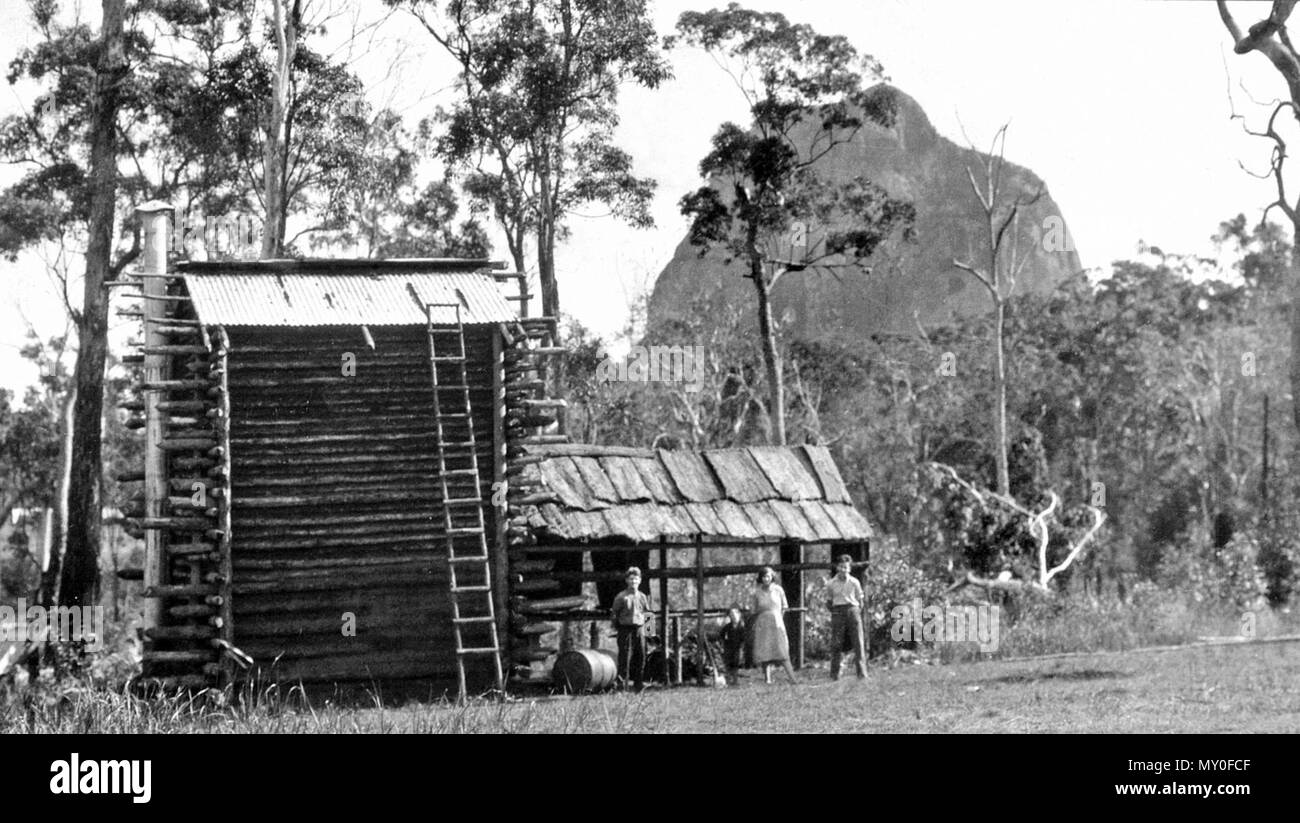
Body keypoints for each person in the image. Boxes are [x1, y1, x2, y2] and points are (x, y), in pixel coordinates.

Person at [749, 566, 798, 685]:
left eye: (768, 576)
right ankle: (768, 679)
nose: (766, 579)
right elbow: (753, 609)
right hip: (763, 623)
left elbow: (784, 606)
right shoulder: (757, 592)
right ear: (760, 578)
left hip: (776, 622)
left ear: (772, 577)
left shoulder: (778, 590)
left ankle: (793, 679)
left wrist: (779, 618)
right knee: (765, 651)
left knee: (782, 650)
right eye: (764, 577)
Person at [825, 554, 868, 680]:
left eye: (846, 567)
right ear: (837, 567)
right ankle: (834, 674)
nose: (843, 570)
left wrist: (855, 611)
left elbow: (861, 601)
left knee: (858, 642)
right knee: (836, 643)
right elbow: (829, 601)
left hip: (852, 610)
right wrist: (835, 612)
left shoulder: (854, 582)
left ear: (849, 568)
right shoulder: (831, 583)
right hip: (838, 611)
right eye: (841, 567)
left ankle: (862, 674)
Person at [610, 566, 653, 690]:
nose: (633, 582)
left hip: (639, 629)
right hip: (625, 629)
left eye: (636, 579)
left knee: (641, 656)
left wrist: (650, 633)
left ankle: (638, 684)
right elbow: (614, 614)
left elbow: (648, 613)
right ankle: (621, 685)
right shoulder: (621, 597)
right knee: (625, 658)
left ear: (640, 581)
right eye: (631, 579)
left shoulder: (643, 597)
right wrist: (618, 628)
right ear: (627, 581)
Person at [719, 606, 747, 682]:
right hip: (728, 647)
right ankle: (728, 678)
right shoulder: (727, 627)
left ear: (739, 615)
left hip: (738, 648)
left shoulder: (742, 627)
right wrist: (723, 643)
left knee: (736, 663)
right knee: (728, 663)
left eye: (735, 614)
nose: (733, 616)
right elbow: (721, 635)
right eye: (731, 614)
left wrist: (742, 646)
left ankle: (735, 679)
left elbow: (744, 638)